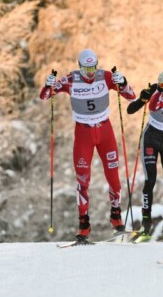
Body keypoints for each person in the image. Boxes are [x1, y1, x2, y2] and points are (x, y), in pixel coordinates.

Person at [40, 49, 136, 241]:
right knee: (83, 180)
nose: (90, 73)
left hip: (105, 131)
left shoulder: (106, 76)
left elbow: (131, 96)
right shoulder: (71, 79)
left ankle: (116, 216)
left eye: (93, 68)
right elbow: (45, 96)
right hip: (83, 133)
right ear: (79, 66)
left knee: (114, 178)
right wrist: (48, 85)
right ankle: (83, 224)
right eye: (86, 69)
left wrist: (123, 82)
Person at [126, 66, 163, 241]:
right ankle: (146, 225)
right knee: (150, 180)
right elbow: (131, 109)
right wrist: (145, 96)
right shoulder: (156, 90)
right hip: (151, 137)